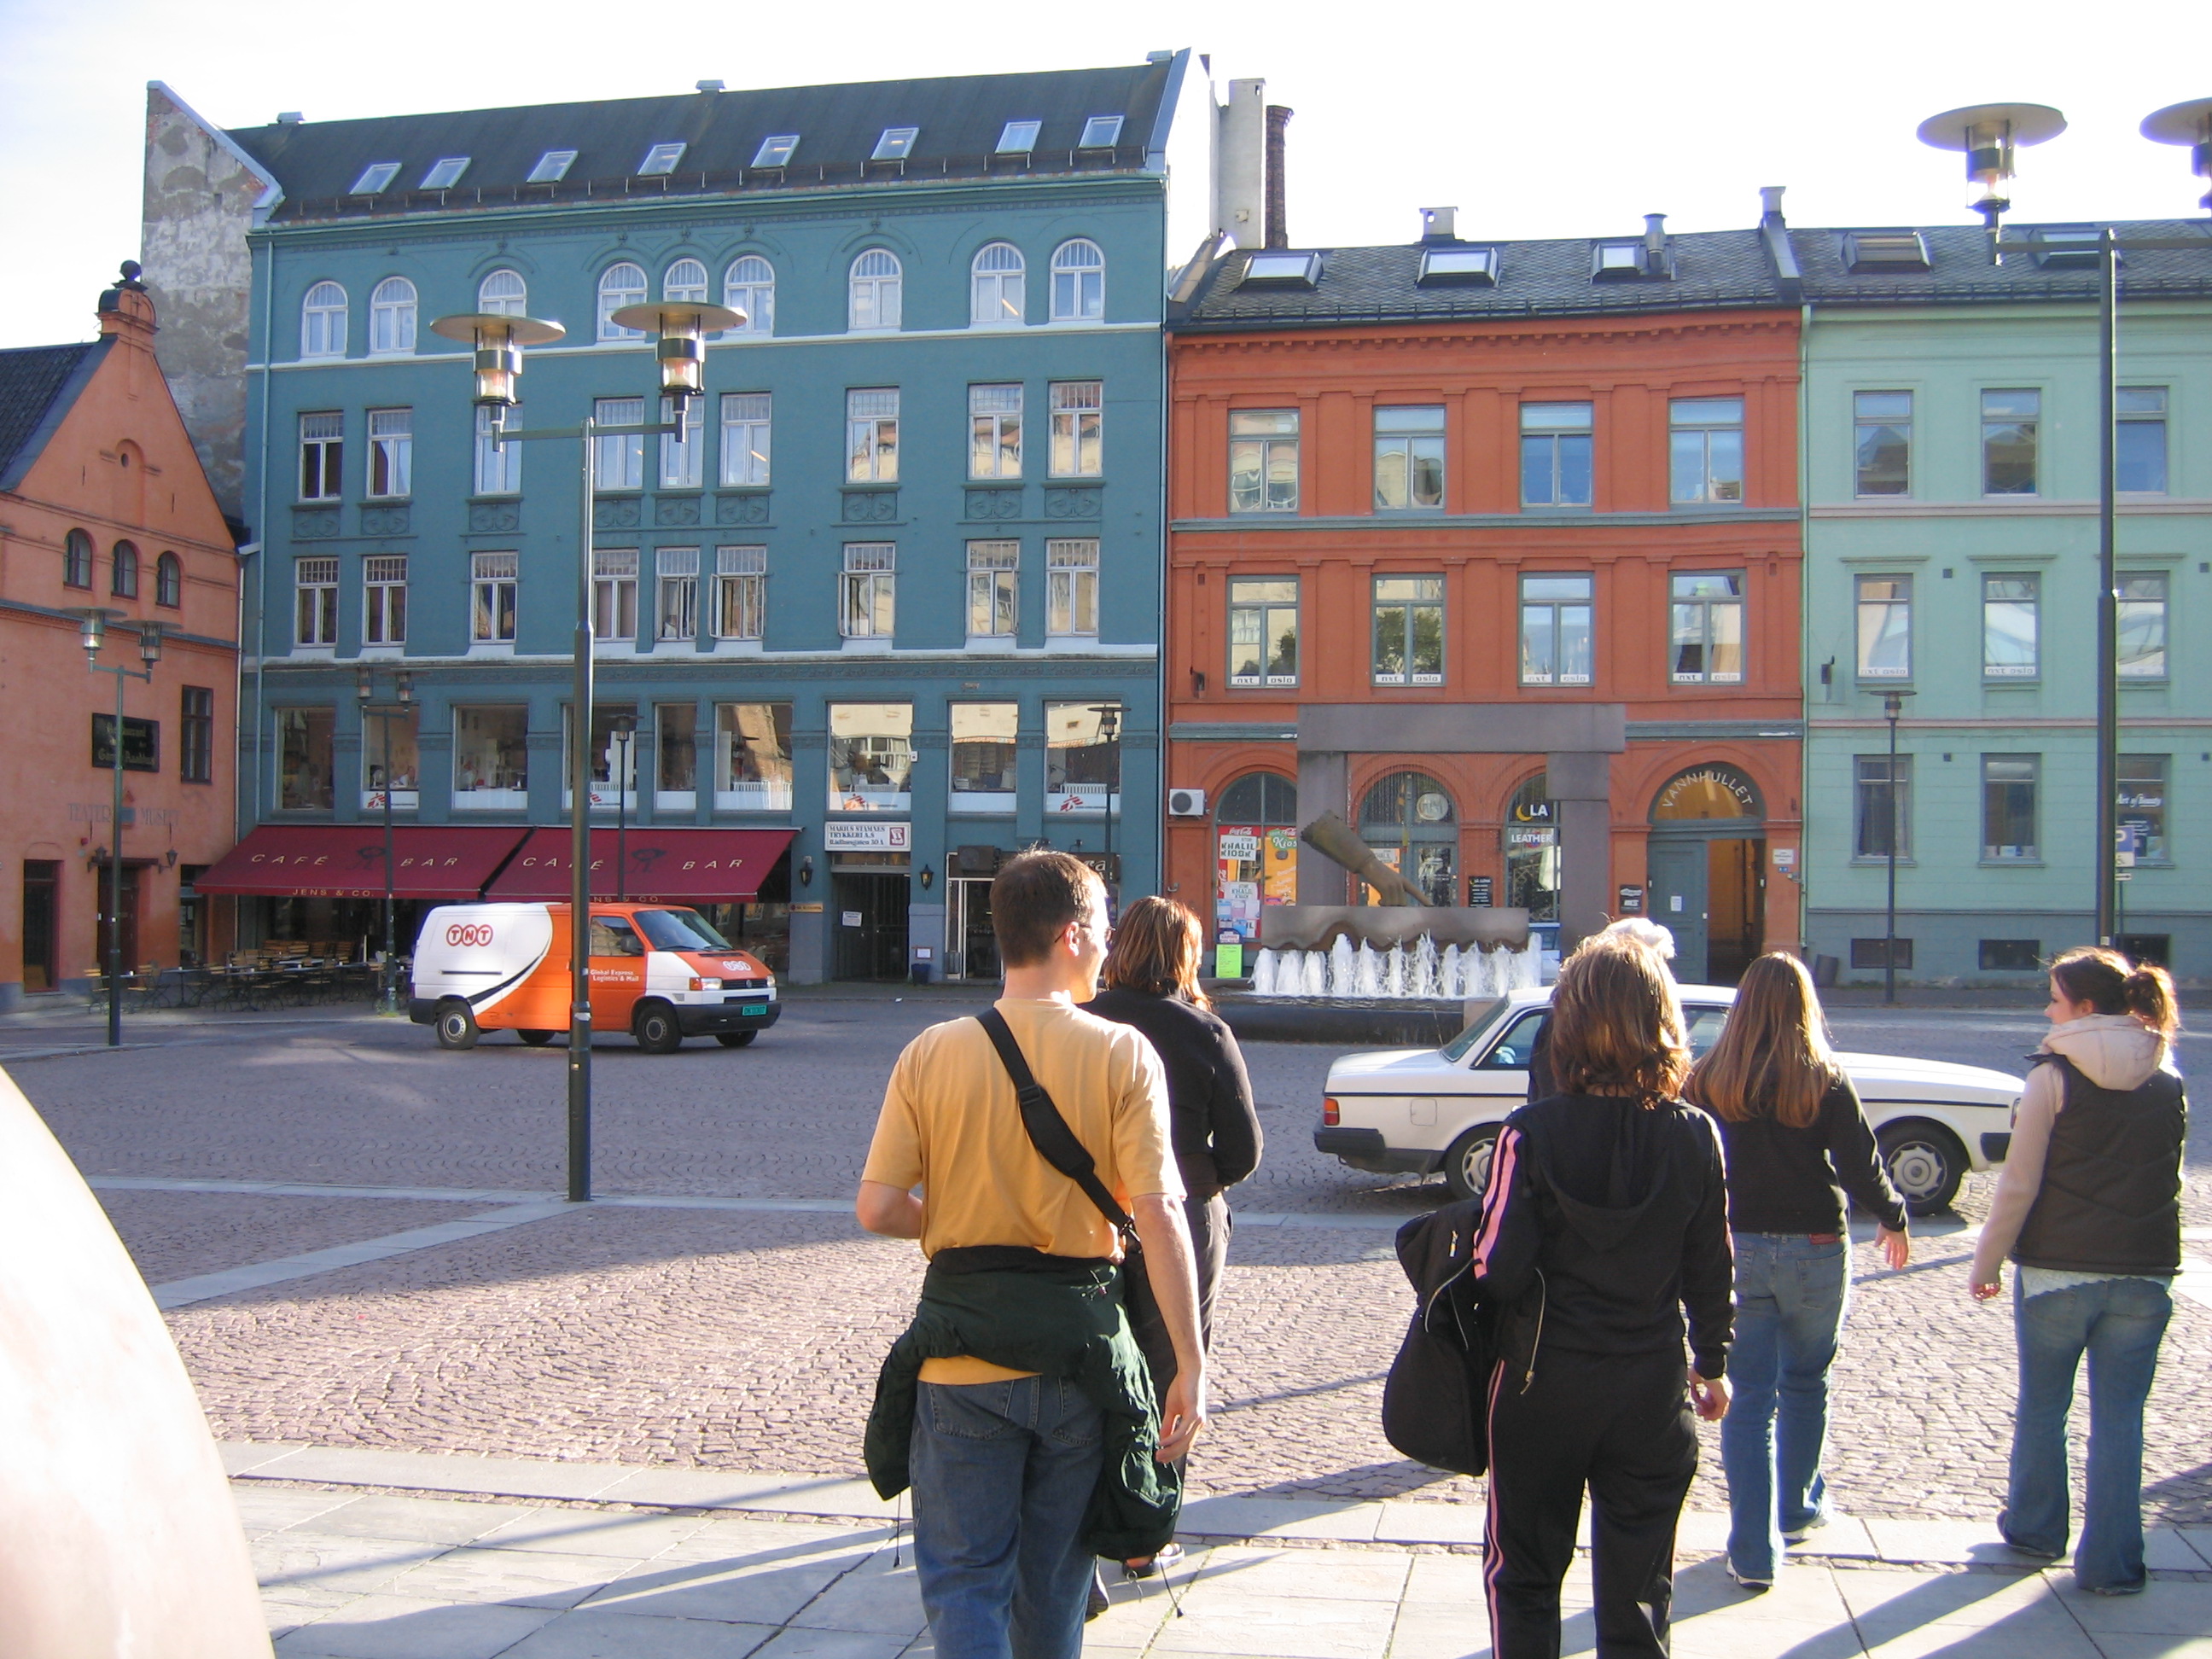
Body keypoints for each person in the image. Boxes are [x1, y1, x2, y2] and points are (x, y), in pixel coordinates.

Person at [856, 852, 1208, 1659]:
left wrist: (949, 1215)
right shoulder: (1124, 1054)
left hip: (960, 1360)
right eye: (1105, 926)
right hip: (1076, 1358)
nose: (1112, 942)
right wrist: (1188, 1360)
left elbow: (876, 1207)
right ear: (1070, 933)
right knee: (1053, 1588)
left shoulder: (930, 1052)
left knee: (965, 1584)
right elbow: (1159, 1216)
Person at [1473, 934, 1733, 1658]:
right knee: (1641, 1592)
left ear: (1571, 1027)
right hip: (1649, 1384)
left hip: (1541, 1384)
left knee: (1523, 1574)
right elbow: (1712, 1268)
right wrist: (1711, 1363)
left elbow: (1498, 1269)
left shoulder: (1531, 1132)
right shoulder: (1695, 1137)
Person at [1683, 952, 1911, 1591]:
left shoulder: (1708, 1078)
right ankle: (1798, 1507)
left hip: (1739, 1246)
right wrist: (1892, 1216)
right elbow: (1861, 1162)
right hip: (1815, 1244)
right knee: (1807, 1381)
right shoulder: (1824, 1077)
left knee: (1749, 1398)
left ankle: (1753, 1552)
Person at [1969, 946, 2185, 1597]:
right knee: (2121, 1419)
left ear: (2085, 1009)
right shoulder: (2167, 1077)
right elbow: (2166, 1178)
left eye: (2055, 999)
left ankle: (2036, 1530)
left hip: (2057, 1272)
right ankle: (2114, 1565)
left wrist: (1987, 1261)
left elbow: (2018, 1185)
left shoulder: (2052, 1078)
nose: (2047, 1008)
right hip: (2144, 1272)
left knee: (2044, 1407)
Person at [1086, 894, 1265, 1360]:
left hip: (1088, 1207)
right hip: (1183, 1207)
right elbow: (1243, 1151)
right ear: (1185, 955)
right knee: (1174, 1358)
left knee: (1094, 1355)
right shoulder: (1204, 1031)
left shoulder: (1081, 1019)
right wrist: (1196, 1174)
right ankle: (1170, 1432)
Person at [1525, 917, 1676, 1103]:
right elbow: (1548, 1091)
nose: (1656, 978)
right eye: (1644, 969)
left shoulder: (1656, 1020)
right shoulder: (1564, 1023)